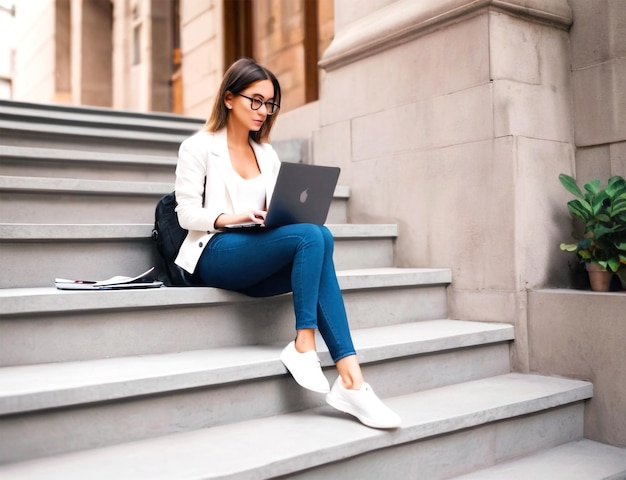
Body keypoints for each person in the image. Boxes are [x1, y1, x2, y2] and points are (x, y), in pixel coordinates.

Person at [174, 58, 400, 429]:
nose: (264, 111)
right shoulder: (197, 147)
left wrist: (277, 214)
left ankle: (352, 381)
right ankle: (304, 344)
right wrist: (235, 217)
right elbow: (186, 214)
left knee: (319, 235)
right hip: (215, 250)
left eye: (270, 104)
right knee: (315, 236)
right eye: (256, 100)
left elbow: (283, 205)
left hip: (256, 250)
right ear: (229, 98)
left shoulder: (266, 152)